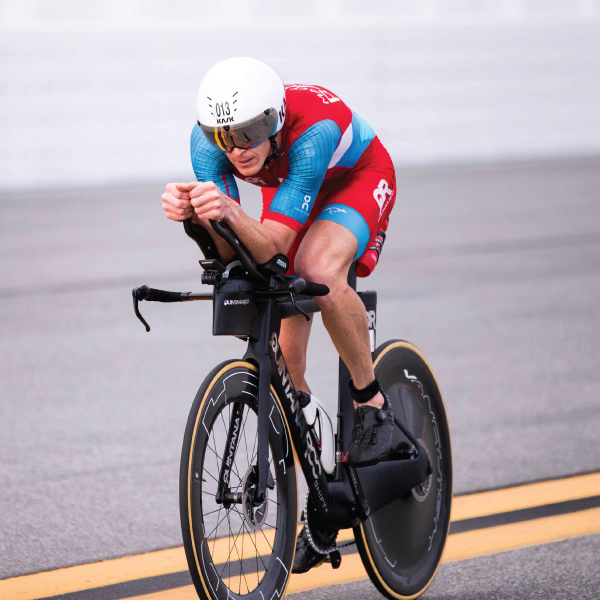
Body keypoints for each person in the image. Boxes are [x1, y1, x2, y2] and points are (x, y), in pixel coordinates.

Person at [161, 57, 396, 572]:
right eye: (224, 134)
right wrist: (198, 223)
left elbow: (276, 248)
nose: (238, 146)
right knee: (287, 368)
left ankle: (371, 399)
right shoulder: (211, 144)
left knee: (314, 267)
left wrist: (228, 213)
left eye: (251, 131)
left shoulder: (311, 133)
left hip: (353, 178)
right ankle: (320, 491)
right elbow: (236, 253)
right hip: (291, 184)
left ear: (276, 118)